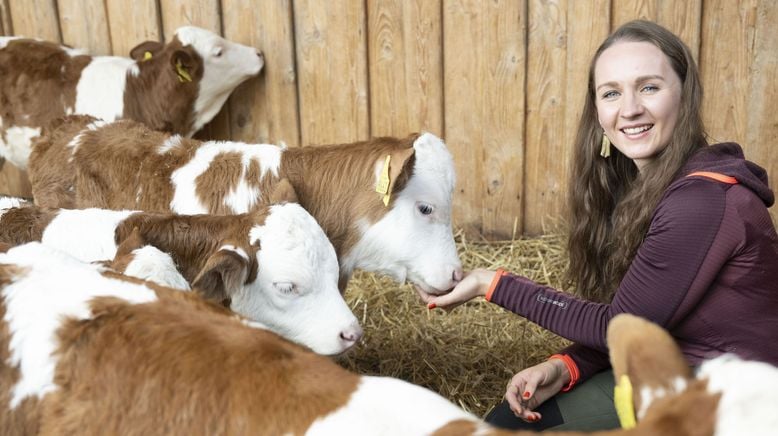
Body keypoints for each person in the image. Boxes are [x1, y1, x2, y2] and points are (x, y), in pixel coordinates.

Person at [418, 19, 778, 431]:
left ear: (685, 94)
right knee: (508, 422)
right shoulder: (651, 188)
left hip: (736, 395)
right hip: (675, 367)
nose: (629, 109)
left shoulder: (701, 202)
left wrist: (491, 283)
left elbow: (622, 326)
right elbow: (652, 313)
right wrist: (567, 366)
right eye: (611, 93)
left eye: (649, 87)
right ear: (598, 111)